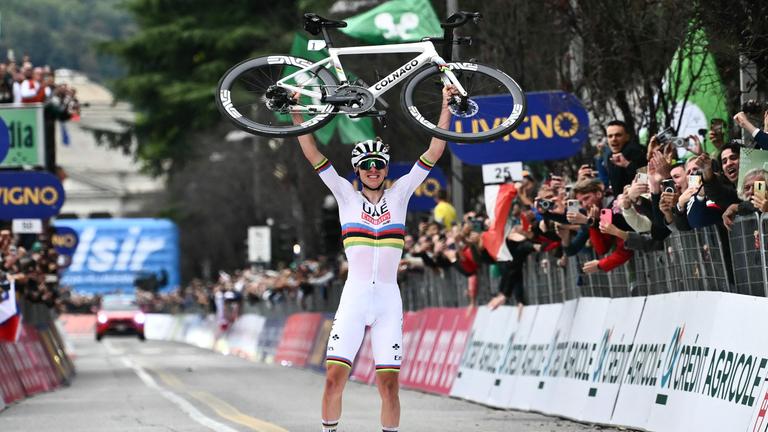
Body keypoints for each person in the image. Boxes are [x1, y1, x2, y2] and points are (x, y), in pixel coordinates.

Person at [293, 85, 457, 432]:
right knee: (334, 379)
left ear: (385, 169)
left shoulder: (400, 195)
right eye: (366, 165)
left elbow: (435, 149)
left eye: (379, 165)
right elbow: (311, 152)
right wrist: (296, 113)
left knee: (389, 386)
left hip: (387, 302)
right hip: (353, 299)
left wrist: (446, 105)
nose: (373, 170)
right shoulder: (345, 196)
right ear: (357, 170)